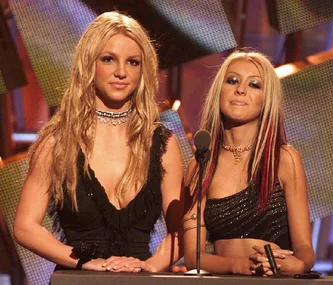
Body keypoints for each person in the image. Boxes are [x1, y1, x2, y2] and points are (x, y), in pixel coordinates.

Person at [14, 11, 184, 273]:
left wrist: (149, 267)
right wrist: (88, 262)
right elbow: (25, 226)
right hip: (78, 278)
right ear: (89, 64)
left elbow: (183, 231)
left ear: (143, 70)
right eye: (108, 59)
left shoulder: (162, 144)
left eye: (132, 62)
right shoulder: (58, 141)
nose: (121, 72)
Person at [183, 48, 315, 276]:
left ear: (267, 99)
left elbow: (305, 250)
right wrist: (237, 266)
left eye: (254, 84)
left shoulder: (284, 159)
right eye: (232, 80)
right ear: (219, 91)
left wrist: (298, 264)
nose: (241, 90)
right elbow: (192, 257)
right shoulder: (201, 164)